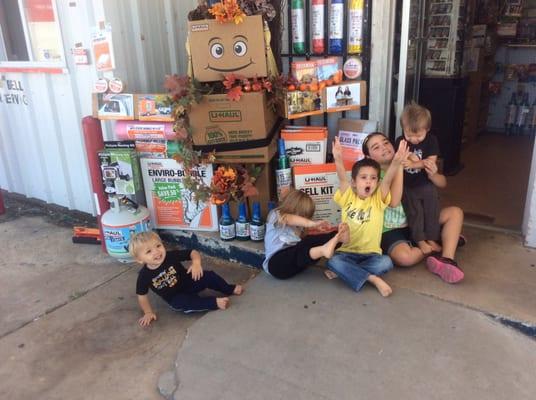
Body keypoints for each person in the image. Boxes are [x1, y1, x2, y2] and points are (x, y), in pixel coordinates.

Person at [362, 132, 465, 284]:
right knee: (404, 258)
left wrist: (433, 174)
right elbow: (393, 202)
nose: (384, 147)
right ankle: (437, 242)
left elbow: (443, 183)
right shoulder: (372, 177)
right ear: (369, 158)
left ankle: (447, 259)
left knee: (455, 213)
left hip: (418, 218)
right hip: (390, 229)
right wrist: (397, 164)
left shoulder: (411, 162)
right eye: (376, 147)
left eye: (386, 142)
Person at [326, 136, 409, 297]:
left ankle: (347, 273)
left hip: (371, 255)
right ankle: (372, 279)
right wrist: (337, 158)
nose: (368, 182)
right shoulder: (347, 196)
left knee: (387, 262)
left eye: (373, 178)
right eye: (363, 178)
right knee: (333, 261)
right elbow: (342, 177)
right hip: (346, 253)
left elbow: (387, 181)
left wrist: (397, 162)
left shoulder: (378, 200)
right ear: (354, 183)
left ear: (378, 183)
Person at [130, 231, 243, 327]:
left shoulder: (170, 257)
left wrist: (196, 263)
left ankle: (229, 289)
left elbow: (192, 252)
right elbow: (142, 296)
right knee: (185, 303)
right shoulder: (144, 276)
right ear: (140, 260)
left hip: (188, 282)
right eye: (149, 251)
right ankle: (214, 303)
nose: (156, 252)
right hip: (174, 297)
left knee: (208, 275)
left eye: (158, 246)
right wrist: (148, 312)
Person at [263, 189, 350, 280]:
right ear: (291, 207)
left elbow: (305, 242)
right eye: (303, 216)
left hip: (295, 266)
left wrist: (317, 229)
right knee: (299, 249)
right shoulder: (276, 215)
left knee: (311, 240)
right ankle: (323, 250)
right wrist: (312, 224)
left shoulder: (299, 229)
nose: (305, 219)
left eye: (307, 217)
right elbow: (289, 218)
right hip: (276, 265)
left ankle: (339, 238)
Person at [396, 102, 442, 256]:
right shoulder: (400, 141)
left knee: (432, 206)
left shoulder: (431, 140)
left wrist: (414, 163)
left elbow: (431, 161)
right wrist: (408, 156)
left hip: (424, 183)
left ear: (427, 129)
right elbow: (399, 157)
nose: (413, 139)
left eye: (418, 135)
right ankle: (420, 240)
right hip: (407, 185)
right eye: (409, 135)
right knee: (415, 211)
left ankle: (432, 238)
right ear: (403, 128)